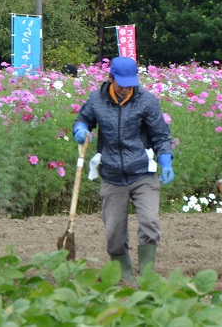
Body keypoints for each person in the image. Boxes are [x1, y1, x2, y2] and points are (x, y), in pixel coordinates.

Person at [72, 56, 174, 285]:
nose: (126, 88)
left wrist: (166, 160)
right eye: (122, 83)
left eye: (131, 83)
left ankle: (146, 276)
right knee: (114, 233)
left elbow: (161, 135)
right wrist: (80, 129)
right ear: (110, 79)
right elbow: (83, 120)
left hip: (142, 173)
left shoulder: (146, 101)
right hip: (112, 175)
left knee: (149, 222)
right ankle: (126, 277)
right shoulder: (97, 100)